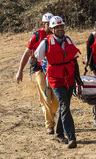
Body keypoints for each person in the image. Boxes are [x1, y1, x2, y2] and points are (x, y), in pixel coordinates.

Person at [34, 16, 82, 149]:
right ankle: (72, 137)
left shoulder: (69, 40)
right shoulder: (46, 42)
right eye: (57, 27)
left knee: (64, 107)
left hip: (70, 78)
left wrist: (78, 79)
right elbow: (37, 58)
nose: (60, 29)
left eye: (62, 26)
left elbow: (74, 60)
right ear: (52, 29)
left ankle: (59, 134)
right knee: (65, 105)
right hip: (55, 79)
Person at [15, 13, 59, 134]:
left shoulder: (58, 36)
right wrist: (20, 72)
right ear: (43, 25)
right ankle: (49, 125)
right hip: (40, 71)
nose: (51, 27)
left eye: (52, 25)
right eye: (48, 25)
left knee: (56, 100)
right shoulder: (37, 36)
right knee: (45, 97)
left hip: (55, 72)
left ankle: (51, 116)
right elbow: (27, 53)